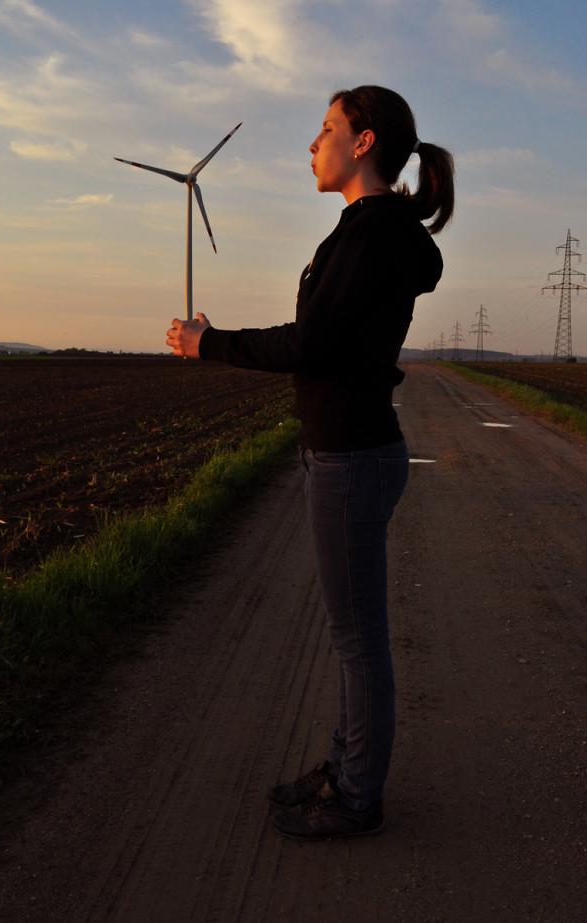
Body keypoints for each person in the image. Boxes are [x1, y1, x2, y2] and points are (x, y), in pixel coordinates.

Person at [166, 85, 454, 840]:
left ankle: (358, 793)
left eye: (325, 129)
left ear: (362, 143)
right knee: (352, 638)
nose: (311, 143)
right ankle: (345, 767)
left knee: (359, 643)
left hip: (351, 459)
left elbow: (311, 343)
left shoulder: (370, 236)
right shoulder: (369, 232)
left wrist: (212, 343)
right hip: (348, 453)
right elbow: (321, 336)